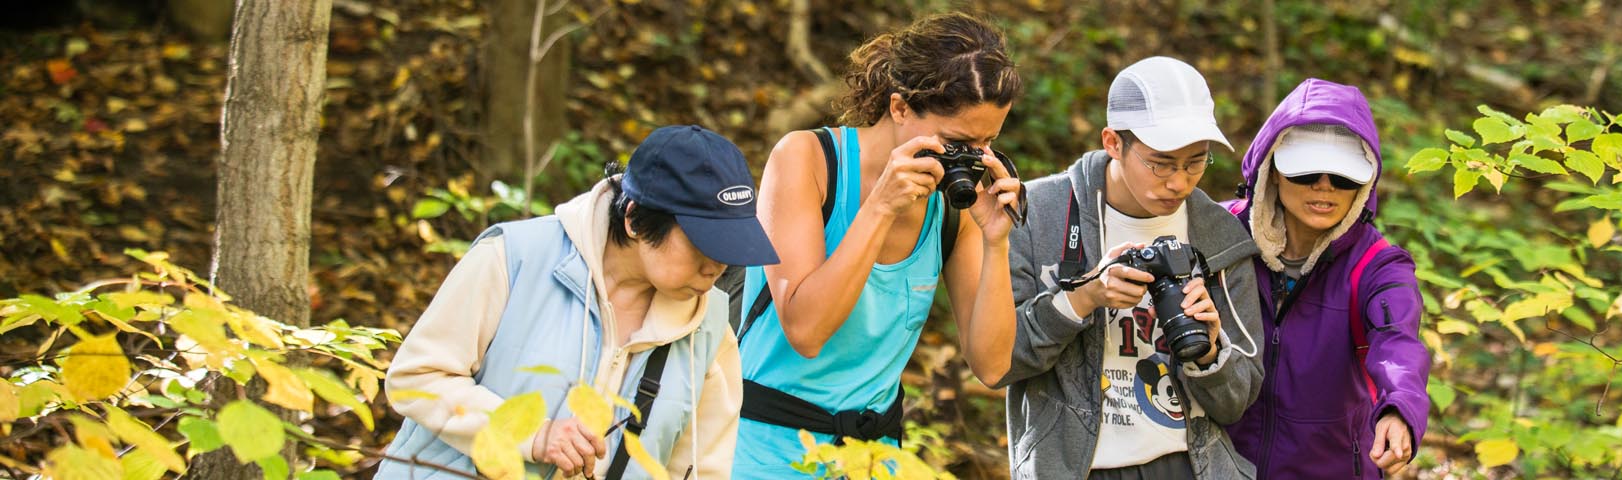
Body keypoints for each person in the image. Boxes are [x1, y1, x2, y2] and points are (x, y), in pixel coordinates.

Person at [377, 125, 771, 479]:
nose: (717, 266)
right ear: (635, 219)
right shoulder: (514, 258)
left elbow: (701, 469)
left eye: (729, 245)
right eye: (703, 243)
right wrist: (531, 433)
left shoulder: (710, 327)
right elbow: (416, 378)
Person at [730, 12, 1024, 478]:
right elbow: (805, 331)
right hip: (765, 451)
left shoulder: (951, 210)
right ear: (900, 107)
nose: (967, 160)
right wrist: (880, 209)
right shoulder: (807, 160)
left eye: (986, 143)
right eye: (956, 141)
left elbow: (991, 366)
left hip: (874, 457)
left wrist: (996, 242)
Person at [998, 56, 1264, 480]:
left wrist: (1212, 353)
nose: (1179, 182)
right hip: (1074, 468)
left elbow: (1236, 402)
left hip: (1190, 466)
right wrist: (1081, 299)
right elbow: (1000, 359)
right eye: (1160, 163)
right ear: (1113, 142)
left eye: (1196, 162)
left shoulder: (1219, 235)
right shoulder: (1038, 214)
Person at [1219, 79, 1431, 479]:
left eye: (1343, 177)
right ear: (1273, 171)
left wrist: (1400, 408)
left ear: (1363, 186)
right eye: (1307, 171)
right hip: (1221, 465)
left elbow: (1399, 343)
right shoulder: (1218, 233)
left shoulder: (1378, 266)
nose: (1324, 187)